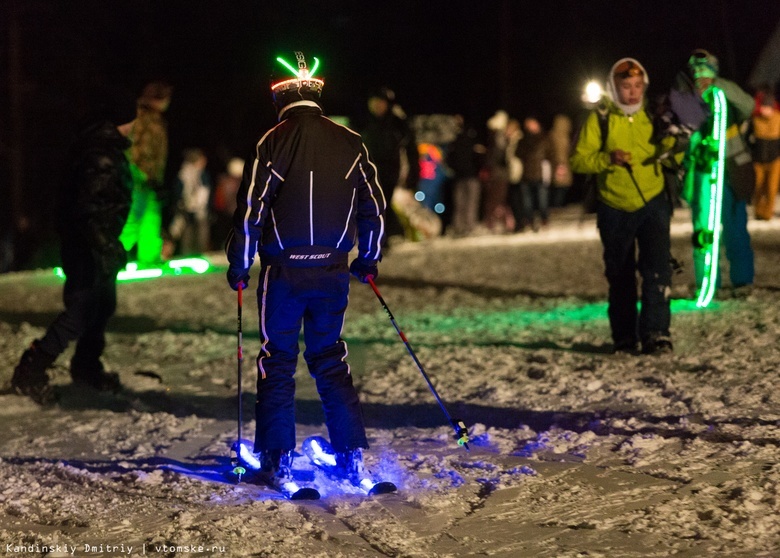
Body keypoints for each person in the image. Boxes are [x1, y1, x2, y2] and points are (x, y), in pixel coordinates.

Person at [225, 51, 386, 485]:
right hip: (332, 271)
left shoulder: (272, 142)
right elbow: (374, 208)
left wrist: (240, 263)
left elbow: (251, 211)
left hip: (284, 274)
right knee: (329, 357)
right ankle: (351, 453)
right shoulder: (351, 141)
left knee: (277, 360)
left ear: (280, 96)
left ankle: (278, 459)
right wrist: (368, 258)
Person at [11, 84, 136, 404]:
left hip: (97, 244)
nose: (135, 125)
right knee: (79, 312)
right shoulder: (100, 154)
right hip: (87, 247)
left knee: (102, 305)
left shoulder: (104, 148)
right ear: (117, 121)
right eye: (131, 119)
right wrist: (106, 246)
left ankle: (86, 365)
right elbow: (89, 209)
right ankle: (31, 369)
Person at [570, 58, 676, 355]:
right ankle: (624, 337)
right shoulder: (600, 118)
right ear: (613, 87)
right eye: (626, 86)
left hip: (653, 202)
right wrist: (607, 159)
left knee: (658, 271)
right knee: (620, 275)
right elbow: (578, 160)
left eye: (637, 86)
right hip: (613, 206)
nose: (632, 92)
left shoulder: (657, 115)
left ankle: (656, 333)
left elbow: (675, 156)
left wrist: (675, 151)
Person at [670, 49, 756, 292]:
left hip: (731, 172)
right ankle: (707, 282)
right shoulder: (686, 100)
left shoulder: (725, 94)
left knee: (735, 228)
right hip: (701, 172)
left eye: (705, 70)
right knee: (702, 230)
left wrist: (719, 86)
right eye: (696, 71)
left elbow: (748, 105)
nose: (701, 75)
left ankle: (742, 280)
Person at [119, 80, 173, 266]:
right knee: (133, 217)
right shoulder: (141, 116)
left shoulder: (156, 118)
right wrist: (137, 172)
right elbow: (132, 147)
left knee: (151, 216)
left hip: (151, 178)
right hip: (139, 177)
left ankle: (149, 256)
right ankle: (115, 256)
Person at [360, 86, 419, 244]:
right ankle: (384, 234)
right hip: (367, 171)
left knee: (382, 202)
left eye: (380, 102)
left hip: (389, 171)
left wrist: (413, 175)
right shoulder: (363, 122)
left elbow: (410, 149)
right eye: (373, 102)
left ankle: (384, 237)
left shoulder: (397, 124)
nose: (377, 106)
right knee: (370, 204)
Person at [166, 147, 213, 256]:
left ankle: (200, 258)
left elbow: (207, 194)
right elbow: (177, 193)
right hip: (186, 212)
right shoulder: (183, 175)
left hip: (201, 213)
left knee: (201, 239)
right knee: (187, 239)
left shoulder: (203, 175)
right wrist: (181, 207)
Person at [446, 114, 483, 237]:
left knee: (470, 202)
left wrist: (478, 169)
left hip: (471, 175)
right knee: (460, 203)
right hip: (460, 176)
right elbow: (449, 158)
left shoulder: (472, 138)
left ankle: (469, 226)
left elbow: (479, 156)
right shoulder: (454, 140)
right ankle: (460, 226)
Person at [516, 116, 553, 231]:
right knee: (527, 203)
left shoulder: (544, 139)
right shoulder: (522, 140)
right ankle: (530, 221)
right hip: (526, 174)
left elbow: (550, 154)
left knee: (542, 201)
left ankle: (544, 220)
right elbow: (518, 154)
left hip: (540, 174)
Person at [751, 84, 780, 221]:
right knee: (758, 186)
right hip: (758, 159)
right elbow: (748, 139)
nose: (765, 110)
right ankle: (758, 211)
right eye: (763, 107)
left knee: (771, 188)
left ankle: (767, 213)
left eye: (767, 107)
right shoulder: (755, 120)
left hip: (775, 159)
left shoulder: (778, 119)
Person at [548, 113, 574, 207]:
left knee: (562, 186)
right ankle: (556, 205)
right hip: (559, 163)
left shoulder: (564, 135)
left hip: (563, 162)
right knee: (559, 186)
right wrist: (560, 162)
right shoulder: (555, 135)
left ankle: (559, 204)